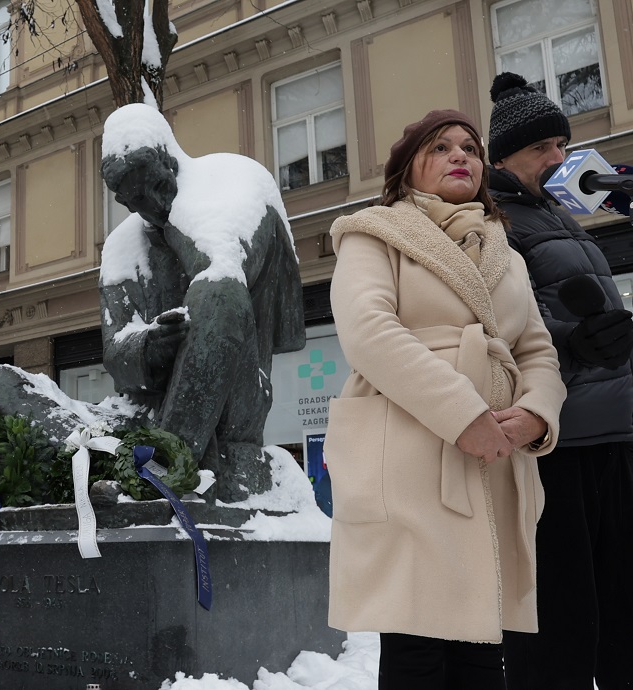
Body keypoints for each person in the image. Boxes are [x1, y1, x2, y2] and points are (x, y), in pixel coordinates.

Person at [325, 110, 567, 689]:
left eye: (470, 148)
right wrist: (464, 415)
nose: (461, 155)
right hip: (409, 455)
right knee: (416, 646)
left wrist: (536, 414)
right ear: (407, 169)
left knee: (482, 648)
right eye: (440, 147)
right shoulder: (372, 233)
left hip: (495, 461)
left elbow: (537, 350)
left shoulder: (506, 254)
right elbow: (369, 333)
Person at [487, 72, 633, 689]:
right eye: (541, 147)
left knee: (623, 617)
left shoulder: (561, 215)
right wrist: (571, 342)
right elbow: (495, 319)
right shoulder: (493, 220)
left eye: (562, 144)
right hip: (555, 447)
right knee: (559, 625)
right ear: (503, 158)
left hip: (614, 434)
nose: (558, 156)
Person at [97, 103, 306, 502]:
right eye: (133, 199)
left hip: (235, 399)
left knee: (217, 291)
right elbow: (115, 352)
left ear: (170, 161)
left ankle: (165, 469)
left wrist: (174, 224)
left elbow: (224, 279)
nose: (149, 205)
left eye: (156, 187)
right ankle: (127, 460)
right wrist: (149, 347)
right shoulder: (122, 248)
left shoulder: (236, 185)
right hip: (141, 411)